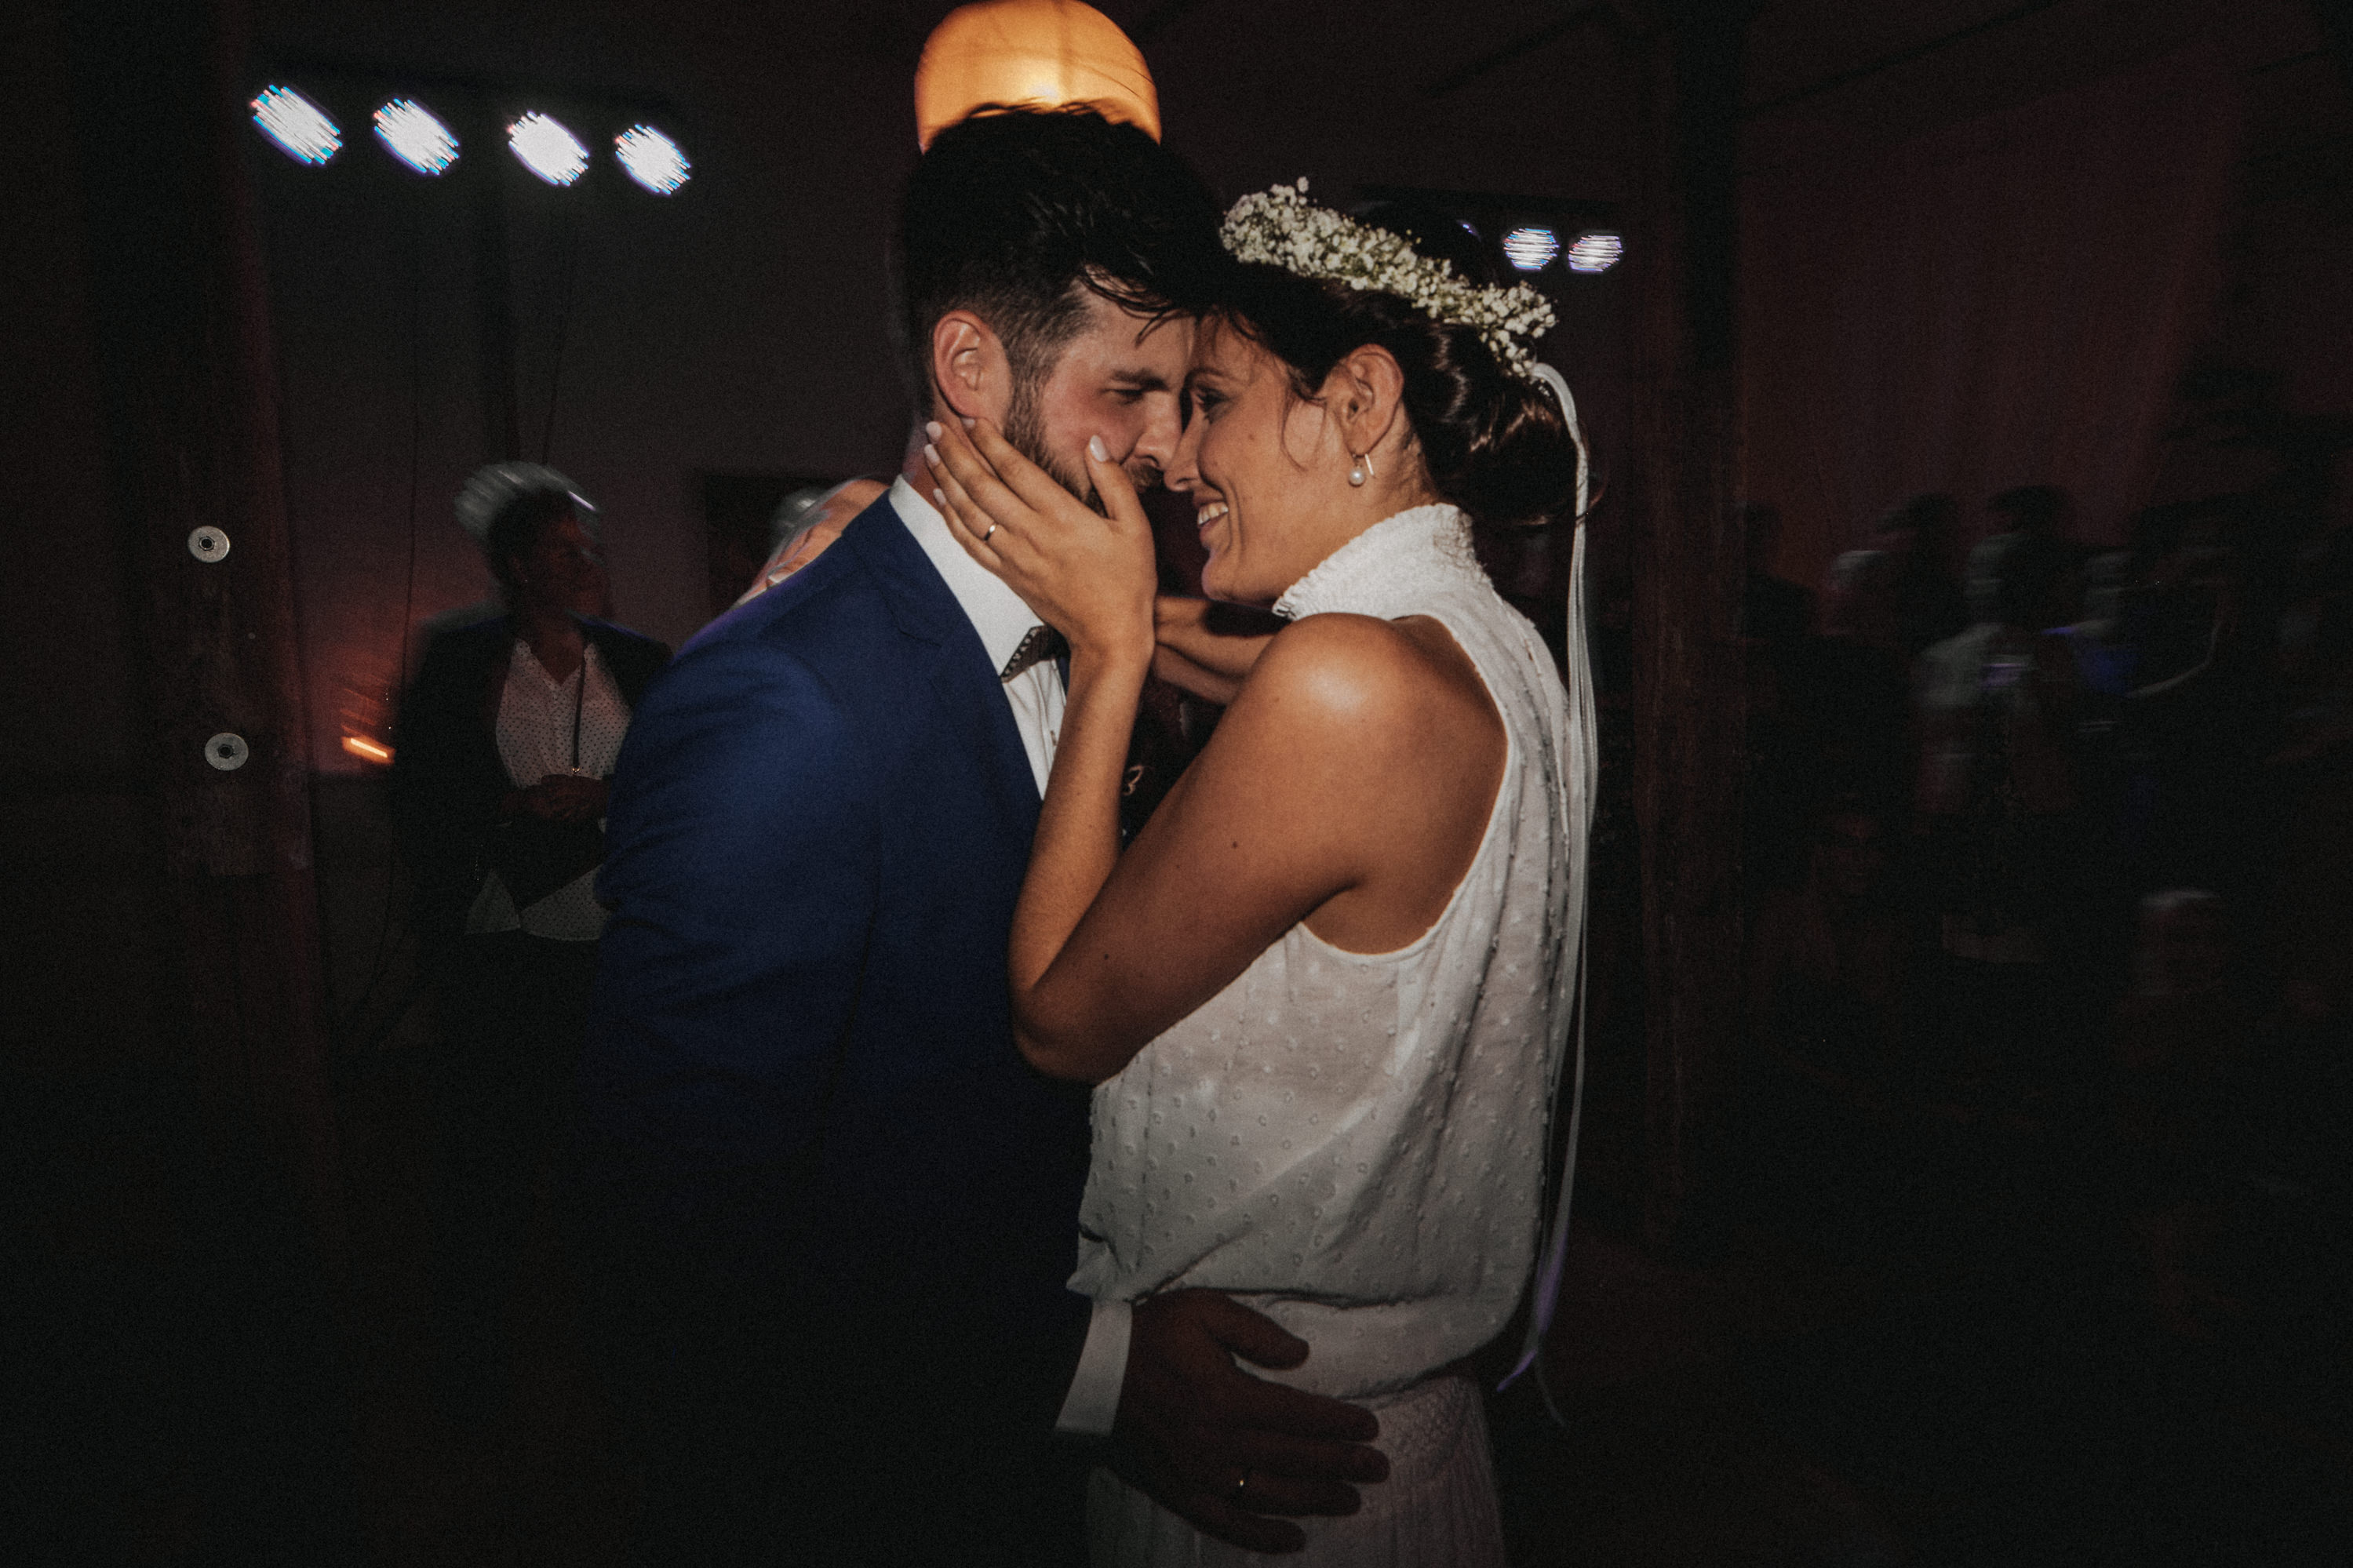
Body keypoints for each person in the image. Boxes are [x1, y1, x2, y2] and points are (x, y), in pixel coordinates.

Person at [574, 112, 1385, 1566]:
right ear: (968, 369)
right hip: (856, 1493)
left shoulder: (1085, 624)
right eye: (1126, 389)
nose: (1163, 445)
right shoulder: (781, 710)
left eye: (1182, 392)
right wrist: (1094, 1371)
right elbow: (682, 1244)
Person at [923, 177, 1588, 1565]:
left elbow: (1055, 1016)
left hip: (1261, 1474)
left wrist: (1105, 655)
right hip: (1401, 1451)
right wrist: (1051, 573)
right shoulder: (1483, 643)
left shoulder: (1346, 684)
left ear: (1352, 403)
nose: (1172, 453)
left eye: (1213, 398)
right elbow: (1256, 660)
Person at [387, 464, 669, 1421]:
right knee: (486, 1167)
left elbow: (683, 789)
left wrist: (605, 798)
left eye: (588, 546)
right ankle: (471, 1375)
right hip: (502, 945)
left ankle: (626, 1364)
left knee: (618, 1166)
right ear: (514, 563)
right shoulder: (462, 661)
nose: (582, 562)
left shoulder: (640, 663)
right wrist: (509, 807)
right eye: (560, 547)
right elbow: (417, 792)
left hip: (613, 945)